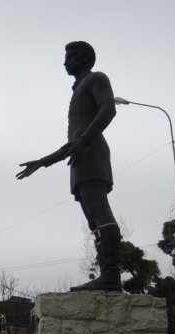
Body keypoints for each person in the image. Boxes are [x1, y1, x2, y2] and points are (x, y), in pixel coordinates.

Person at [16, 41, 121, 292]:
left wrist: (85, 141)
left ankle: (111, 275)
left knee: (99, 210)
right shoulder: (78, 90)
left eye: (72, 57)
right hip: (81, 155)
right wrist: (43, 162)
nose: (65, 62)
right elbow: (71, 142)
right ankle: (107, 275)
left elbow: (109, 109)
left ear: (85, 58)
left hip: (91, 151)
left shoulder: (96, 78)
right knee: (92, 218)